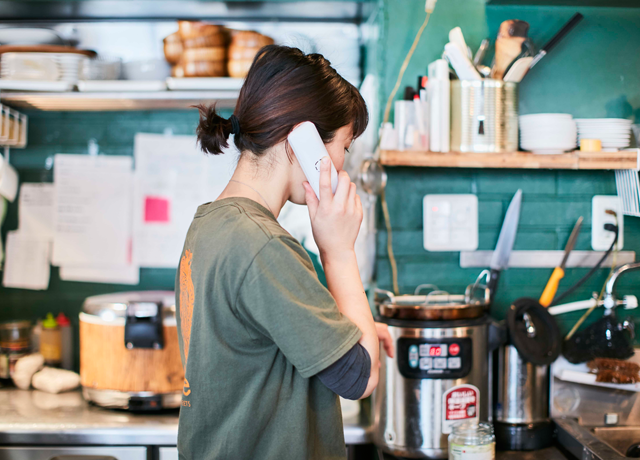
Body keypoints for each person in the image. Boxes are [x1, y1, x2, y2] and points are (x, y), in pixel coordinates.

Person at [175, 44, 393, 460]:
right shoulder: (264, 244)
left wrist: (342, 332)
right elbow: (360, 376)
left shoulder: (210, 225)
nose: (342, 166)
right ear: (304, 138)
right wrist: (338, 250)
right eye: (344, 147)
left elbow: (261, 333)